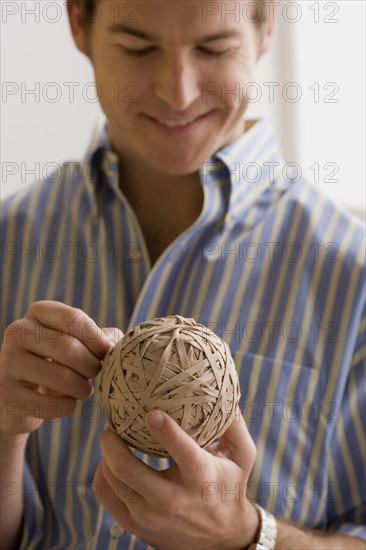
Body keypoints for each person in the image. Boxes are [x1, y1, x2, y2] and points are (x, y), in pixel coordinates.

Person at [1, 0, 365, 548]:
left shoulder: (354, 279)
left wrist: (248, 536)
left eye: (214, 48)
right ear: (79, 24)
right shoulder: (10, 241)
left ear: (266, 30)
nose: (178, 92)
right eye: (138, 48)